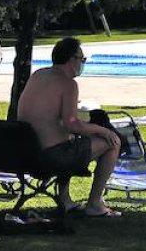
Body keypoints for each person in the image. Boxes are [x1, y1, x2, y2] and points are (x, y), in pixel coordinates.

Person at [17, 37, 122, 217]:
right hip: (51, 157)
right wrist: (102, 130)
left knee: (71, 141)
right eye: (82, 59)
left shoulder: (38, 75)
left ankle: (65, 200)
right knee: (113, 142)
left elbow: (51, 118)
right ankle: (95, 203)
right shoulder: (68, 83)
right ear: (72, 59)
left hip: (26, 153)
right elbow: (71, 123)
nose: (82, 63)